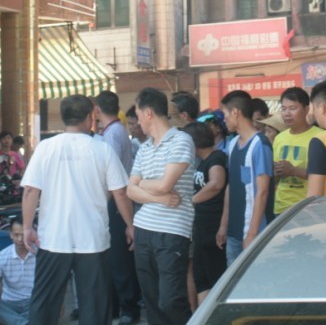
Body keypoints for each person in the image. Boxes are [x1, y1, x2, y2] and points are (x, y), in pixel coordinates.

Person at [21, 95, 133, 325]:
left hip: (53, 239)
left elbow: (31, 190)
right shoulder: (102, 150)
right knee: (95, 306)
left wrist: (26, 227)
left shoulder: (46, 147)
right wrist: (130, 225)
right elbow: (120, 193)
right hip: (93, 240)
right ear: (90, 117)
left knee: (44, 303)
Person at [127, 87, 196, 325]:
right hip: (143, 229)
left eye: (138, 115)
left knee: (171, 300)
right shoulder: (144, 148)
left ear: (148, 113)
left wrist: (142, 183)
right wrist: (159, 198)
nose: (137, 122)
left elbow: (166, 184)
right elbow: (129, 190)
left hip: (172, 231)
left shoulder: (181, 140)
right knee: (152, 302)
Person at [94, 90, 141, 325]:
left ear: (97, 109)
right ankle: (119, 305)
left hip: (116, 200)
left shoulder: (112, 134)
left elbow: (109, 174)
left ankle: (127, 307)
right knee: (117, 256)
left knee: (119, 257)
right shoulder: (117, 131)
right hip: (119, 197)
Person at [217, 90, 274, 266]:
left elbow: (263, 191)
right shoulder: (233, 143)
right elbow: (231, 186)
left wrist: (252, 233)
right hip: (233, 231)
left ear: (235, 112)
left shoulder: (260, 144)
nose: (224, 119)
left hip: (254, 232)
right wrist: (223, 225)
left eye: (225, 114)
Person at [183, 121, 228, 304]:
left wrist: (191, 201)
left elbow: (217, 183)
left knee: (216, 278)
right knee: (201, 279)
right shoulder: (201, 162)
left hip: (213, 228)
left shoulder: (216, 158)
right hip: (200, 229)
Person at [271, 87, 321, 215]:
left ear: (306, 109)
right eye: (283, 109)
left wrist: (294, 170)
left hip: (308, 208)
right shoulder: (279, 138)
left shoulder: (321, 136)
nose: (287, 113)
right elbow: (274, 177)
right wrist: (275, 172)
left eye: (292, 108)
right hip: (281, 207)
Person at [0, 218, 34, 325]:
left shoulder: (40, 255)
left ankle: (12, 320)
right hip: (9, 304)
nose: (20, 239)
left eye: (24, 235)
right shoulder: (1, 257)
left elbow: (51, 282)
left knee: (49, 305)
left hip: (33, 303)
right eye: (16, 235)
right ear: (11, 235)